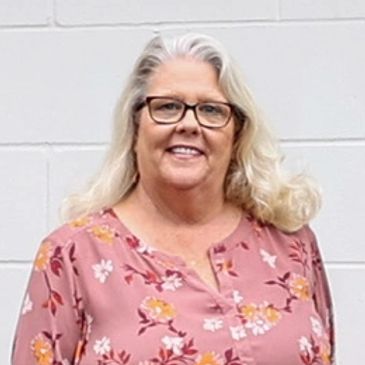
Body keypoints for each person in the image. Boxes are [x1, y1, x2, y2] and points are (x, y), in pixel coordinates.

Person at [11, 33, 335, 365]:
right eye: (168, 106)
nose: (189, 124)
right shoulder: (73, 256)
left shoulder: (291, 244)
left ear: (237, 133)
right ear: (136, 125)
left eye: (211, 110)